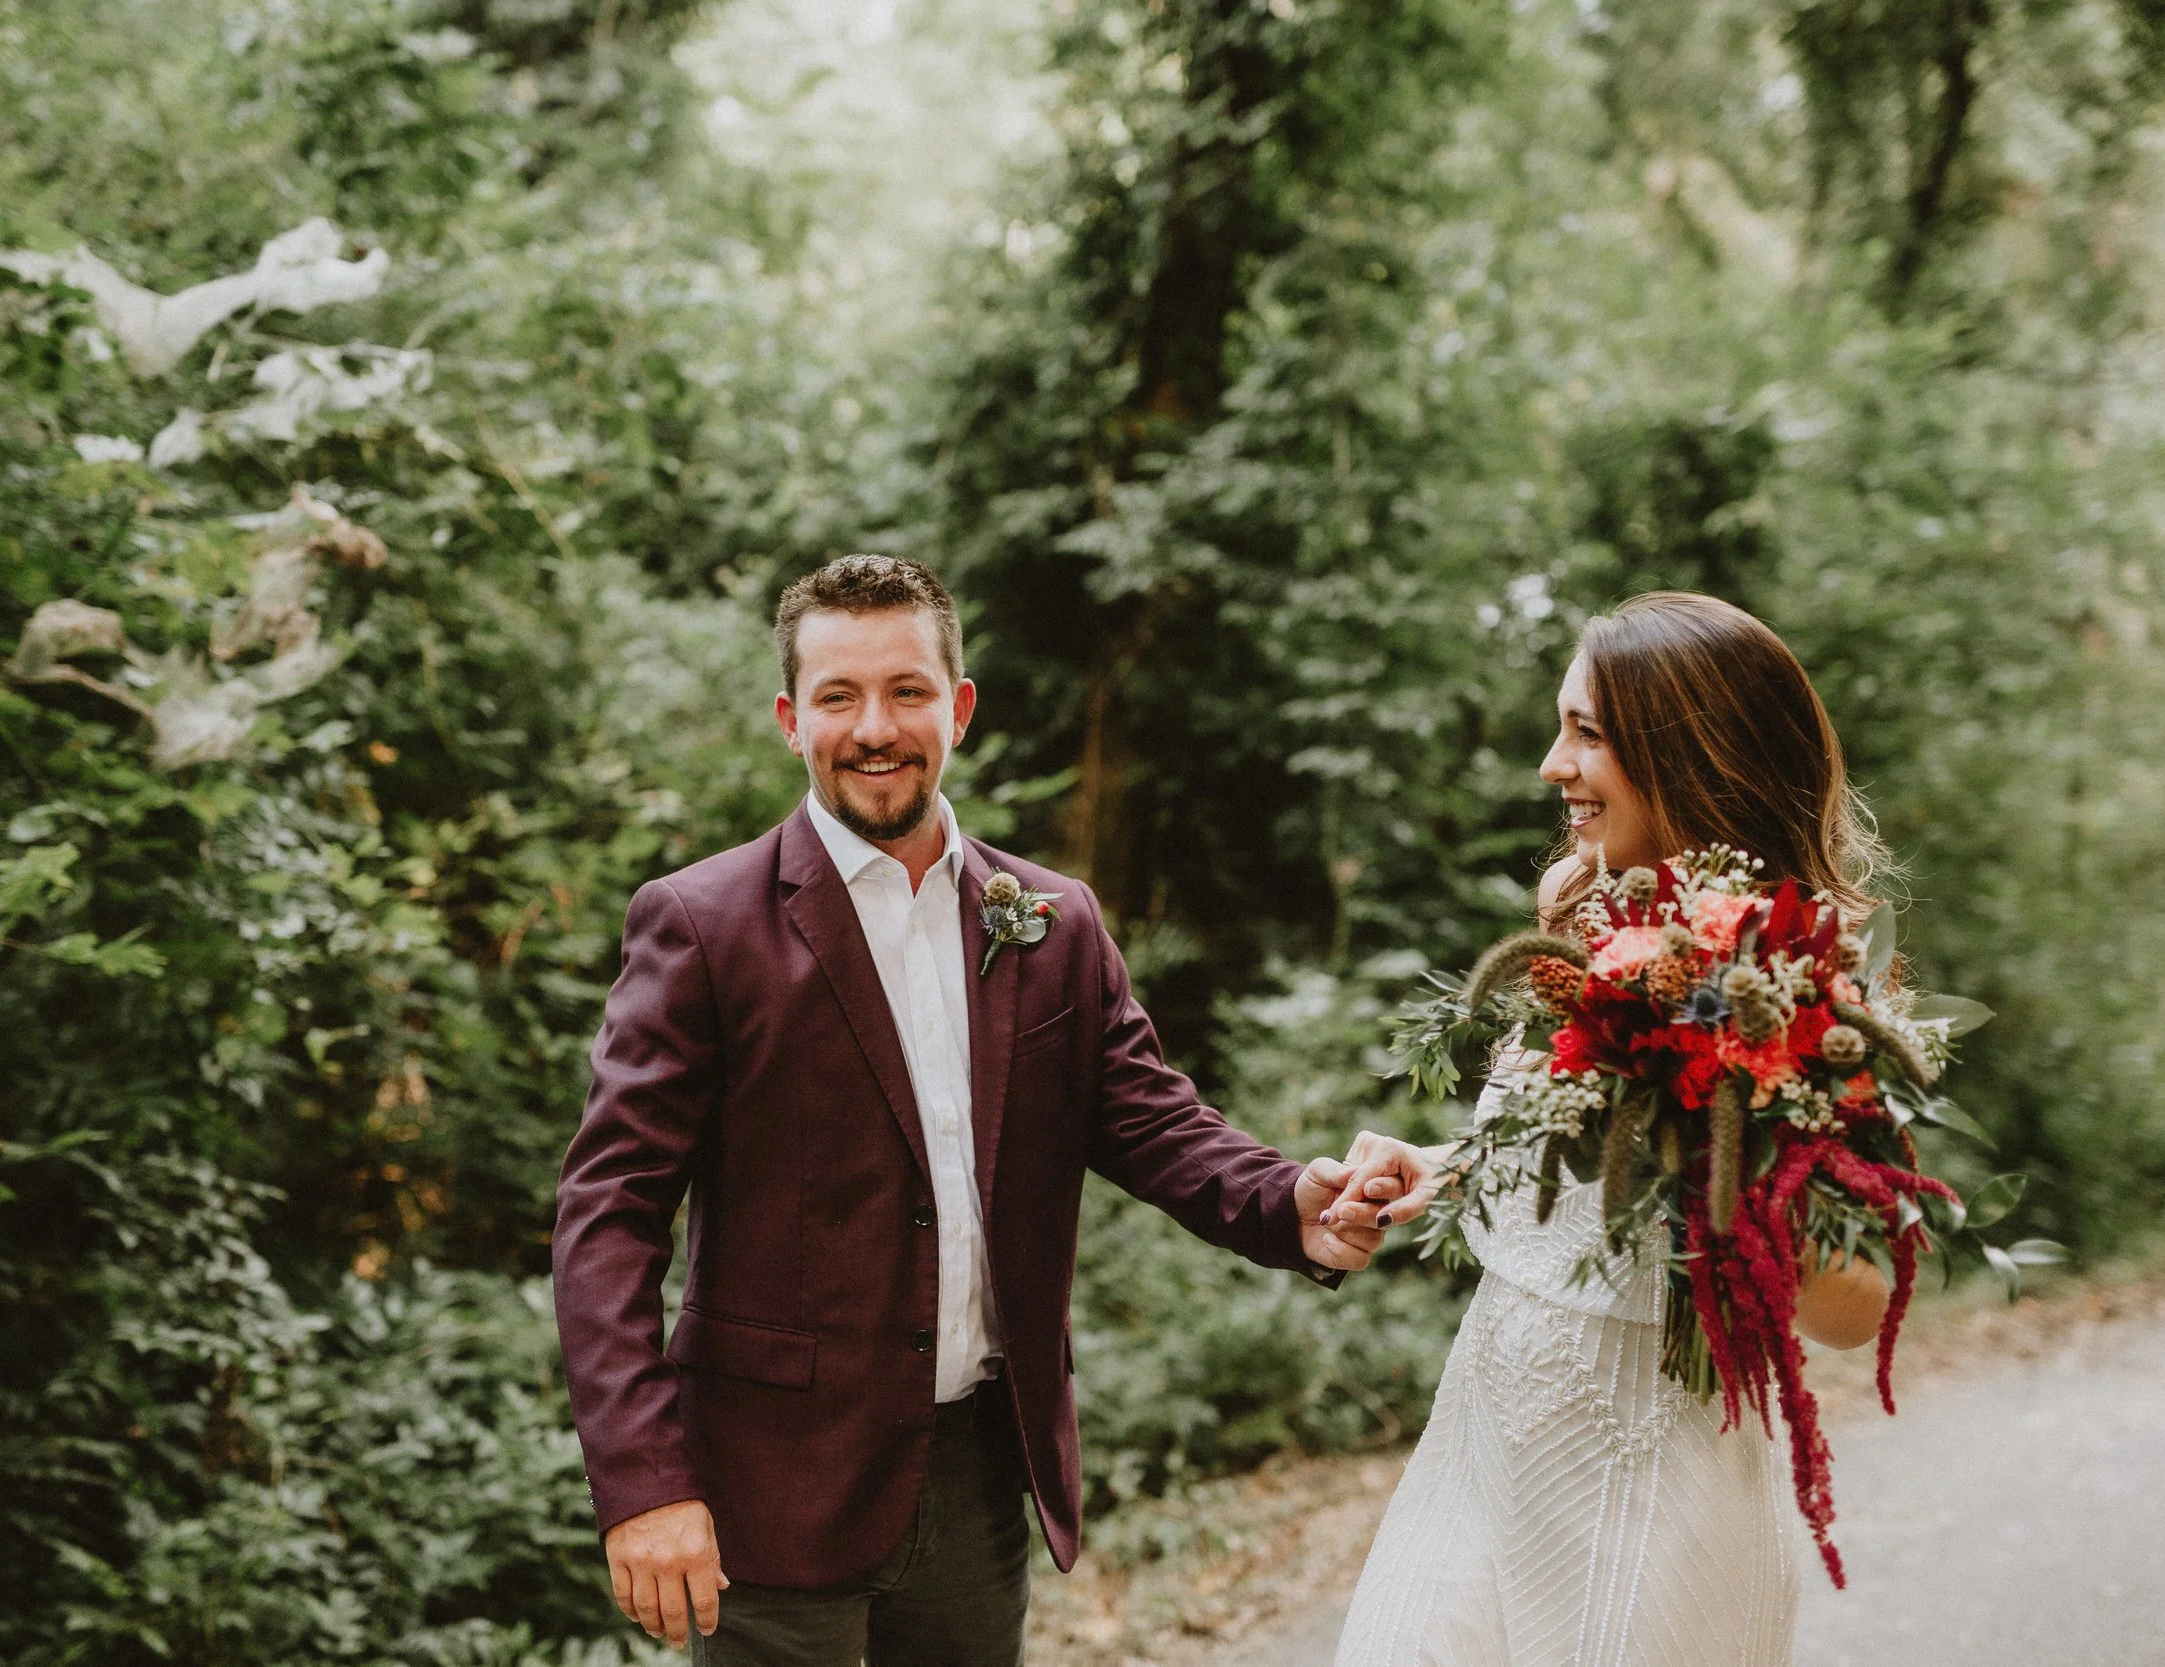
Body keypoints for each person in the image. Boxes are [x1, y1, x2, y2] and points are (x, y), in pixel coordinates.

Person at [550, 554, 1396, 1666]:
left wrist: (1293, 1203)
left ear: (958, 707)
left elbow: (1151, 1121)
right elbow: (608, 1215)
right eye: (839, 695)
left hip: (980, 1476)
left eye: (906, 690)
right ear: (790, 720)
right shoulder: (703, 924)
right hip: (771, 1480)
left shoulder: (1052, 919)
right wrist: (644, 1480)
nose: (875, 727)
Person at [1327, 591, 1893, 1667]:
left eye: (1586, 733)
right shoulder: (1576, 907)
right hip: (1484, 1447)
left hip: (1650, 1487)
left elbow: (1855, 1307)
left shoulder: (1803, 985)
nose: (1553, 765)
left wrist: (1735, 1138)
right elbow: (1568, 1149)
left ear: (1693, 753)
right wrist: (1447, 1166)